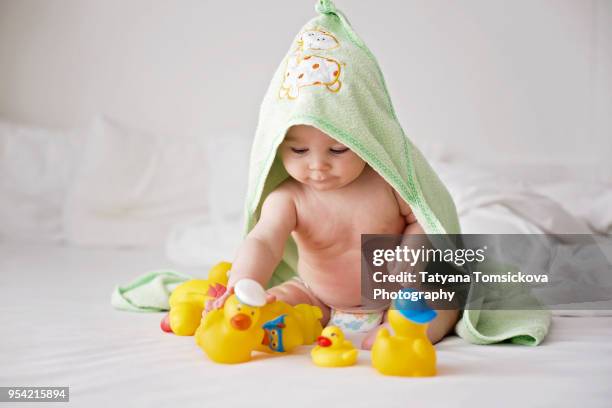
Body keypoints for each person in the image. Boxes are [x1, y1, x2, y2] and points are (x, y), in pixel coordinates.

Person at [210, 124, 459, 349]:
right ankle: (260, 324)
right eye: (298, 150)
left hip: (397, 295)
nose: (318, 165)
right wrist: (245, 284)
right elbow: (264, 241)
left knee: (440, 301)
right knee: (277, 303)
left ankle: (403, 331)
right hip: (317, 297)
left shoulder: (390, 184)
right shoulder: (288, 198)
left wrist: (411, 249)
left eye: (338, 149)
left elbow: (423, 219)